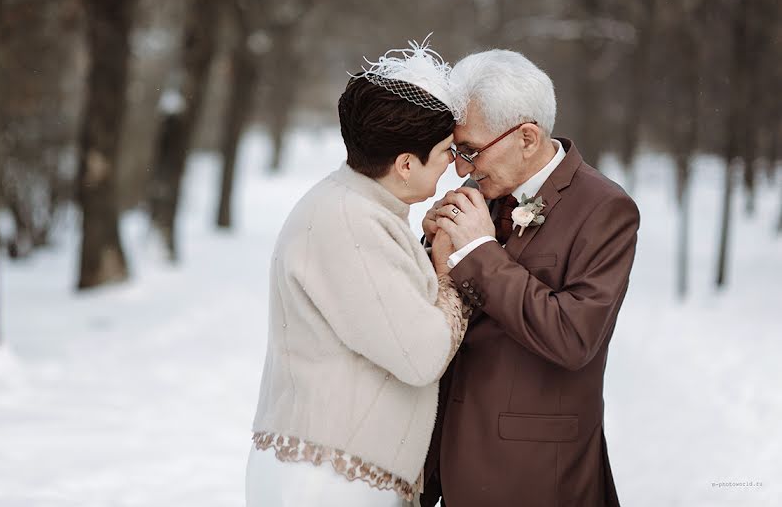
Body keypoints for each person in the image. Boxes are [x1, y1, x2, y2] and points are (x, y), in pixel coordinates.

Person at [246, 39, 471, 507]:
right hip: (327, 482)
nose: (454, 164)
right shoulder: (348, 222)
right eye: (447, 151)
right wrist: (453, 271)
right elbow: (420, 355)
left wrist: (428, 252)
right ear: (406, 163)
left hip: (335, 473)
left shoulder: (361, 209)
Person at [420, 50, 640, 507]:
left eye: (472, 151)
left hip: (537, 477)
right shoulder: (480, 189)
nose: (461, 169)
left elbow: (573, 337)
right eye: (457, 150)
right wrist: (433, 252)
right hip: (449, 463)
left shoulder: (605, 210)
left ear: (526, 137)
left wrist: (477, 252)